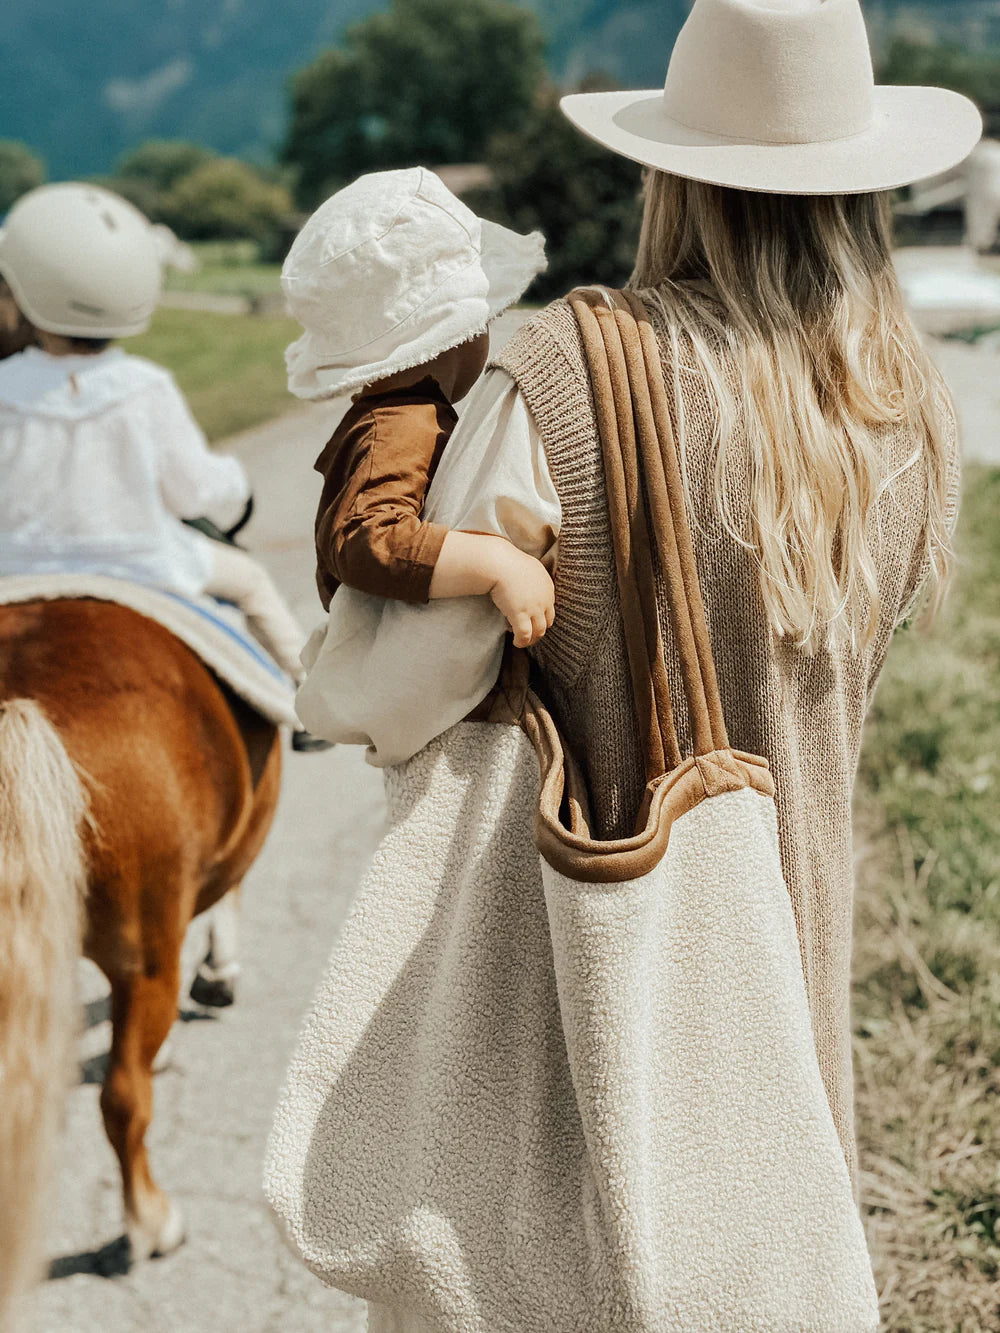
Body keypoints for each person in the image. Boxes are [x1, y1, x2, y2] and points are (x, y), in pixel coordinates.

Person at [290, 0, 981, 1326]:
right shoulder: (907, 406)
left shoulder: (559, 378)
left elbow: (397, 699)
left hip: (570, 984)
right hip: (784, 958)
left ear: (668, 172)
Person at [0, 183, 324, 749]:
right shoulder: (146, 388)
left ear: (24, 291)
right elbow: (192, 494)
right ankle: (309, 703)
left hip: (16, 571)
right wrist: (232, 478)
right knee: (250, 583)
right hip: (142, 566)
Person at [282, 167, 554, 649]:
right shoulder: (401, 422)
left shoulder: (385, 412)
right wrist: (499, 566)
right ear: (455, 336)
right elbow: (367, 539)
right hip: (398, 670)